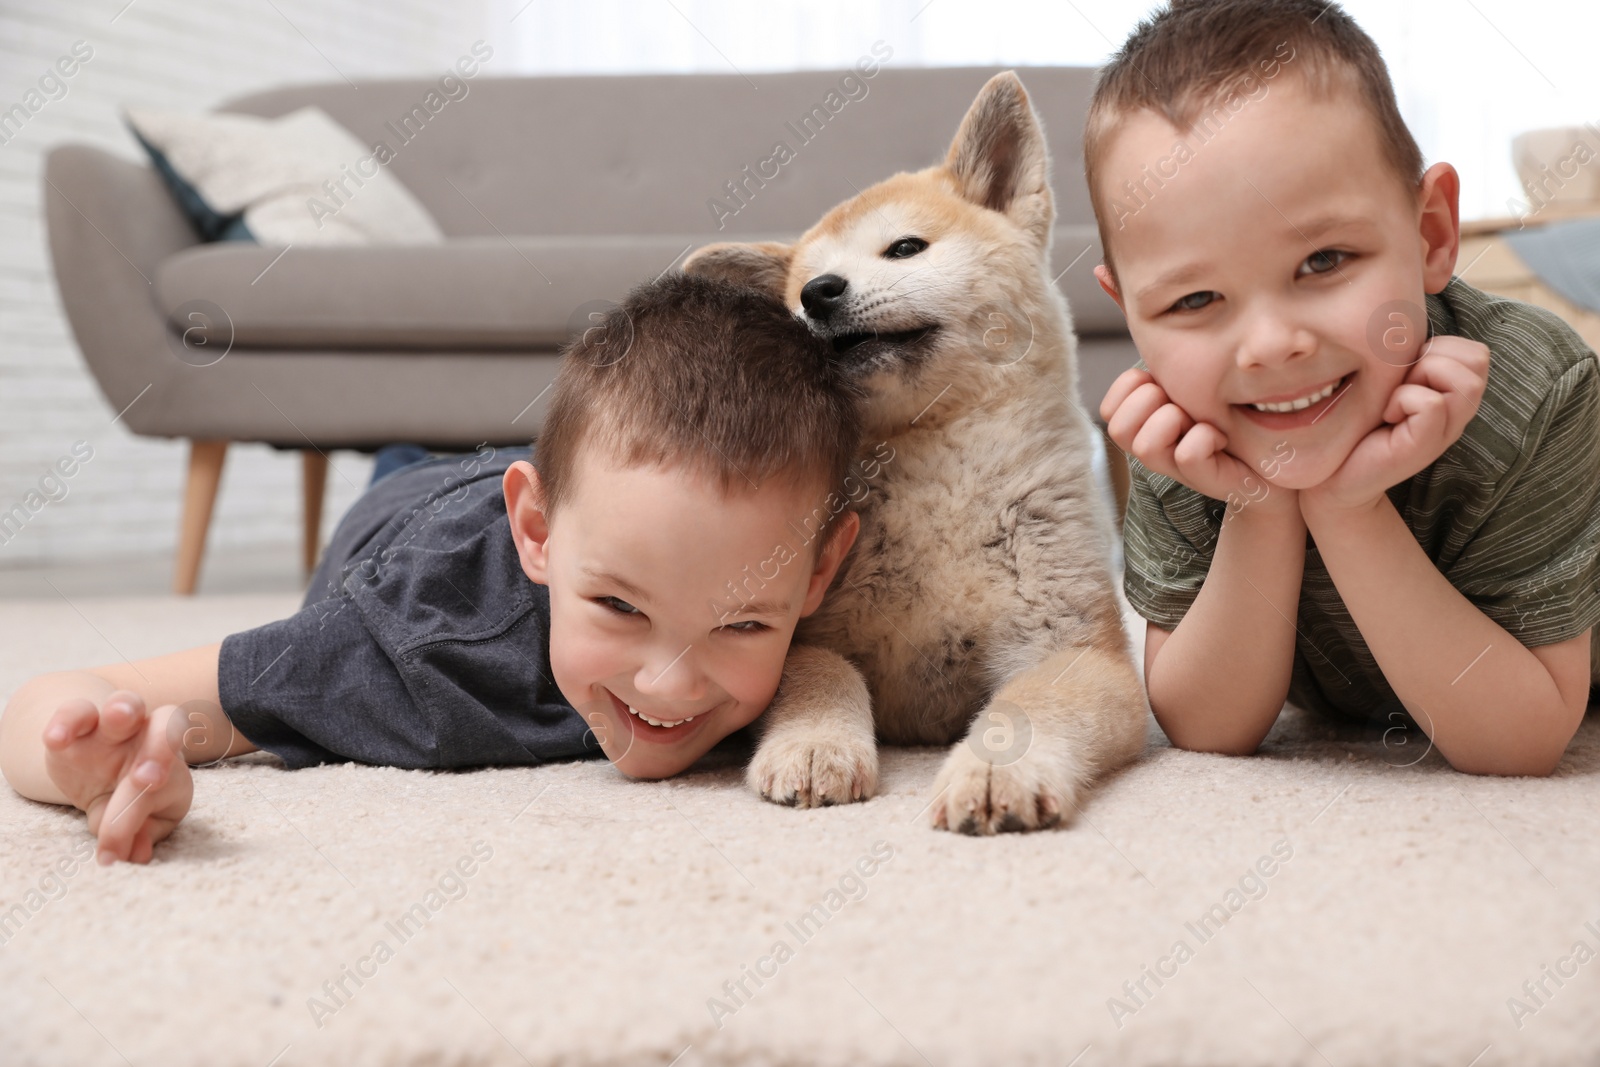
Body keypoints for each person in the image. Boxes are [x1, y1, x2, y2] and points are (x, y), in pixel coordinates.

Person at [0, 273, 865, 865]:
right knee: (403, 471)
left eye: (742, 623)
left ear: (819, 573)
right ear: (537, 534)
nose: (670, 686)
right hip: (407, 511)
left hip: (510, 482)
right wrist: (83, 764)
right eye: (617, 606)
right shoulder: (402, 645)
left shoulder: (796, 575)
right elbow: (49, 700)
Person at [1091, 0, 1599, 774]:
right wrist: (1260, 508)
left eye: (1323, 261)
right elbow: (1208, 724)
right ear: (1131, 314)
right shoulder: (1177, 430)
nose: (1271, 346)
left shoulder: (1535, 391)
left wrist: (1350, 512)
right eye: (1193, 301)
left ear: (1431, 234)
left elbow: (1521, 741)